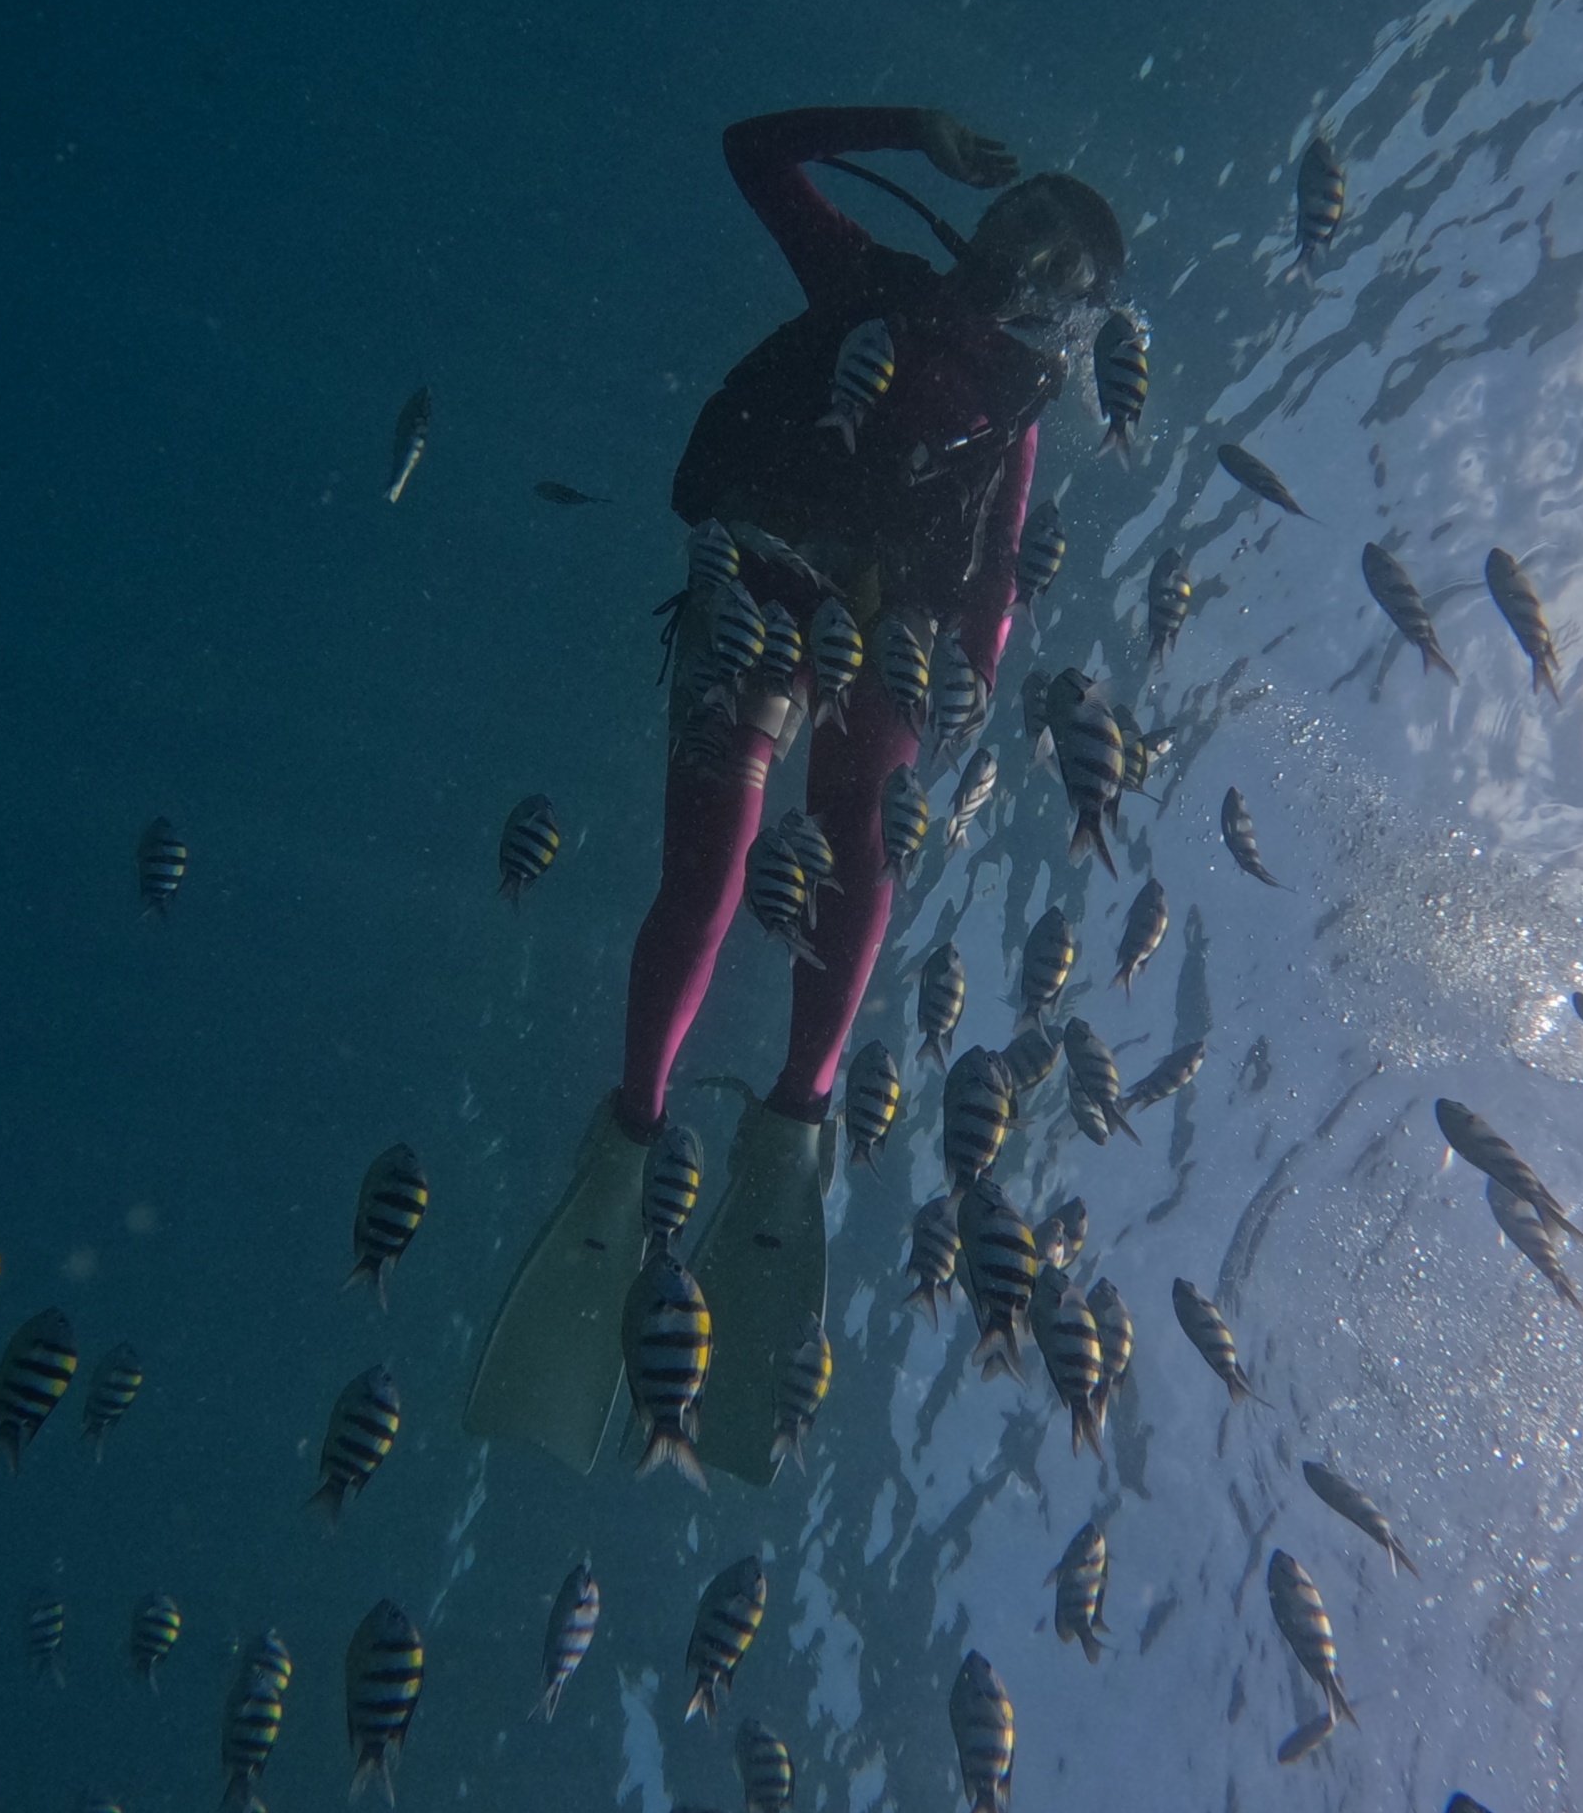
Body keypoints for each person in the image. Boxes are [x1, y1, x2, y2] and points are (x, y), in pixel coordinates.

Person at [465, 106, 1125, 1483]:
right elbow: (753, 152)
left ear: (1075, 314)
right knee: (710, 878)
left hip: (892, 637)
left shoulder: (1022, 407)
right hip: (760, 582)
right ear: (984, 223)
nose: (1029, 264)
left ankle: (799, 1111)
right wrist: (912, 131)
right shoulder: (872, 284)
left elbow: (998, 570)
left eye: (1065, 269)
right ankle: (637, 1123)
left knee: (862, 862)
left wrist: (971, 690)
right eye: (1025, 228)